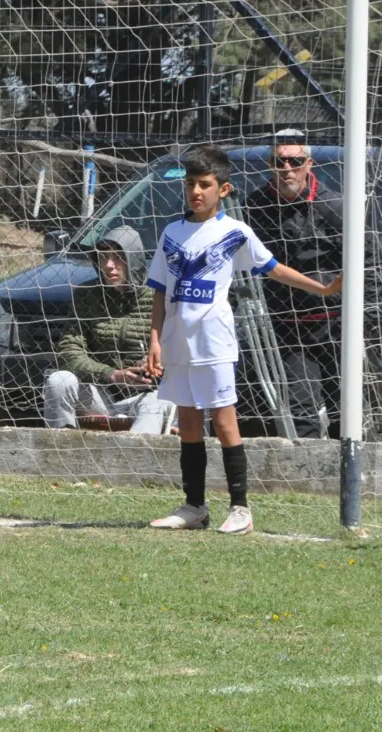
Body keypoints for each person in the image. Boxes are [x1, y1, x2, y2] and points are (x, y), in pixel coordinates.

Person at [144, 145, 341, 535]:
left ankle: (241, 508)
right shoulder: (172, 233)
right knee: (188, 424)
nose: (196, 192)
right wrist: (155, 340)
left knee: (225, 422)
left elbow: (273, 268)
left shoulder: (234, 233)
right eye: (190, 185)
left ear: (225, 189)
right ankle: (194, 506)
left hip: (214, 342)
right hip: (177, 342)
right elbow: (160, 292)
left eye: (205, 184)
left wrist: (321, 288)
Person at [242, 130, 344, 439]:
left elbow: (369, 263)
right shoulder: (253, 208)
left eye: (295, 161)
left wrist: (367, 320)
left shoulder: (335, 207)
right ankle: (313, 484)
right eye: (279, 161)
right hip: (287, 328)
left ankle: (353, 478)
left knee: (348, 410)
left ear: (309, 164)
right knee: (302, 411)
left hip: (335, 325)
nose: (287, 169)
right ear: (270, 164)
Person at [42, 225, 175, 434]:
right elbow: (69, 350)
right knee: (58, 380)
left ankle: (136, 460)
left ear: (134, 259)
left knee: (157, 403)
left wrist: (154, 365)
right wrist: (112, 374)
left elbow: (178, 346)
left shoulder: (159, 295)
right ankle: (61, 452)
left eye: (118, 257)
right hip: (101, 392)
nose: (109, 266)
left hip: (148, 395)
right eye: (103, 257)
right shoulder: (86, 295)